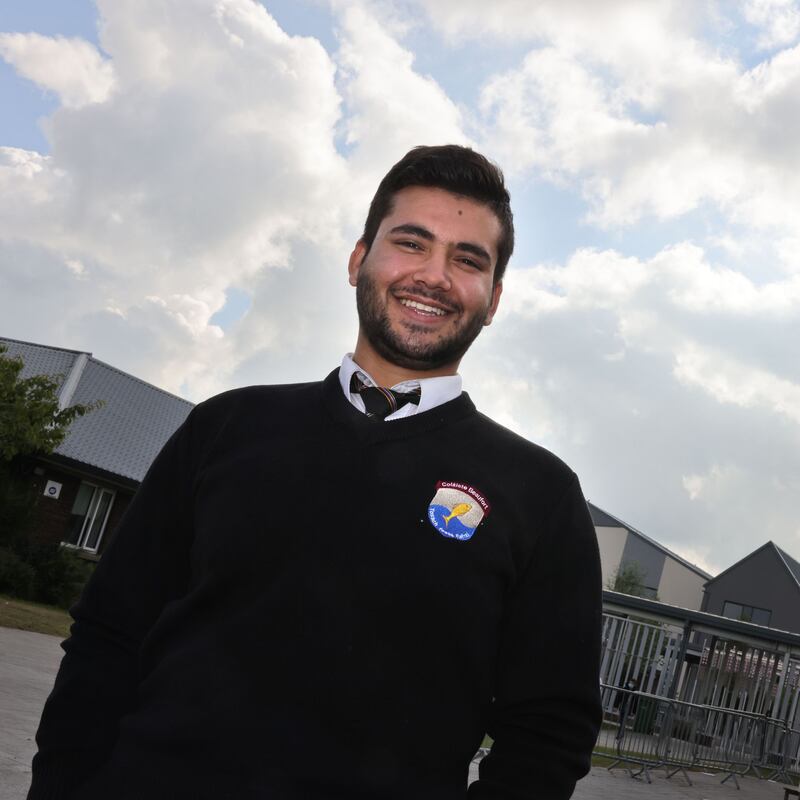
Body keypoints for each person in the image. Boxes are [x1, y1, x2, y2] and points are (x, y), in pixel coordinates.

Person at [28, 145, 602, 799]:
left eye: (467, 260)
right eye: (411, 243)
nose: (434, 276)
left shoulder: (541, 495)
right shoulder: (225, 428)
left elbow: (549, 732)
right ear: (359, 260)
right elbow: (108, 637)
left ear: (493, 299)